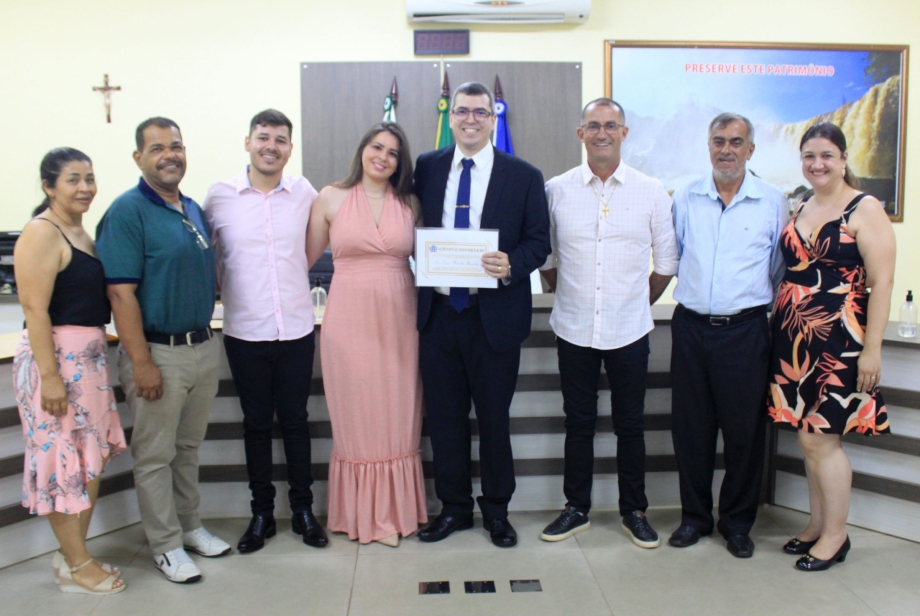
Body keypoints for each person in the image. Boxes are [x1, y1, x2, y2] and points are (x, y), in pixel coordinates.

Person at [414, 82, 551, 548]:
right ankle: (453, 510)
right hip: (438, 317)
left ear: (493, 119)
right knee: (445, 420)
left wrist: (512, 263)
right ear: (450, 118)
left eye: (480, 112)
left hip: (493, 318)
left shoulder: (524, 174)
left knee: (494, 420)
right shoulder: (427, 168)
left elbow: (539, 243)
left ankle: (497, 511)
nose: (470, 119)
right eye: (462, 112)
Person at [538, 98, 678, 547]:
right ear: (581, 134)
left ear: (624, 133)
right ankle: (575, 508)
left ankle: (633, 511)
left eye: (610, 126)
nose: (602, 133)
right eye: (593, 126)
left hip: (629, 331)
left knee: (630, 424)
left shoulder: (651, 190)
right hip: (574, 327)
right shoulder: (556, 189)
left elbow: (667, 261)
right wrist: (574, 297)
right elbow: (548, 258)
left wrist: (634, 302)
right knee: (577, 423)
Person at [96, 118, 230, 584]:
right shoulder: (128, 211)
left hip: (200, 346)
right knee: (155, 456)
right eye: (157, 148)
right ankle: (165, 545)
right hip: (157, 352)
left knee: (187, 448)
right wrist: (141, 363)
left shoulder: (190, 208)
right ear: (139, 158)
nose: (169, 155)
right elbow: (120, 295)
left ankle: (190, 527)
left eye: (176, 146)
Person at [768, 122, 895, 571]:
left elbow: (881, 284)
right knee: (809, 439)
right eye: (809, 156)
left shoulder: (865, 208)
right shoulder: (801, 203)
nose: (817, 164)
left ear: (843, 158)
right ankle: (818, 523)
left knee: (820, 439)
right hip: (795, 337)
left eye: (826, 155)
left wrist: (872, 349)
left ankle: (836, 536)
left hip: (840, 341)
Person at [203, 109, 328, 553]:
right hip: (244, 330)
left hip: (295, 327)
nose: (270, 146)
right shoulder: (219, 196)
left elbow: (310, 253)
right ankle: (261, 514)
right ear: (248, 142)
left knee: (295, 422)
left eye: (280, 139)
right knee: (255, 424)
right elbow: (211, 260)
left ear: (289, 149)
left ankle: (302, 511)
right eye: (263, 137)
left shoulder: (304, 193)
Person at [669, 112, 789, 558]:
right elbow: (676, 253)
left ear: (751, 150)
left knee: (744, 434)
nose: (726, 149)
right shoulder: (686, 197)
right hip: (692, 328)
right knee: (691, 430)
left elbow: (778, 269)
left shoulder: (773, 201)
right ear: (708, 144)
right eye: (718, 140)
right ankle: (694, 519)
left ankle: (737, 523)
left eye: (736, 142)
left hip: (745, 331)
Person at [13, 148, 127, 595]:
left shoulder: (81, 231)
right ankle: (78, 566)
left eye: (90, 178)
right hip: (56, 363)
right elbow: (33, 309)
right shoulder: (42, 232)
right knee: (63, 465)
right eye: (73, 180)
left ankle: (72, 555)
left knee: (89, 462)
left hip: (90, 364)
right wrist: (52, 378)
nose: (85, 188)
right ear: (49, 186)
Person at [306, 122, 426, 547]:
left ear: (400, 162)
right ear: (362, 150)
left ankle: (397, 513)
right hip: (348, 319)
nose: (383, 157)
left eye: (393, 152)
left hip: (399, 320)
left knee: (398, 414)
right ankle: (363, 516)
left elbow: (432, 258)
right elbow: (301, 261)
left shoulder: (410, 202)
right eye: (377, 147)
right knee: (358, 414)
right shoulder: (330, 197)